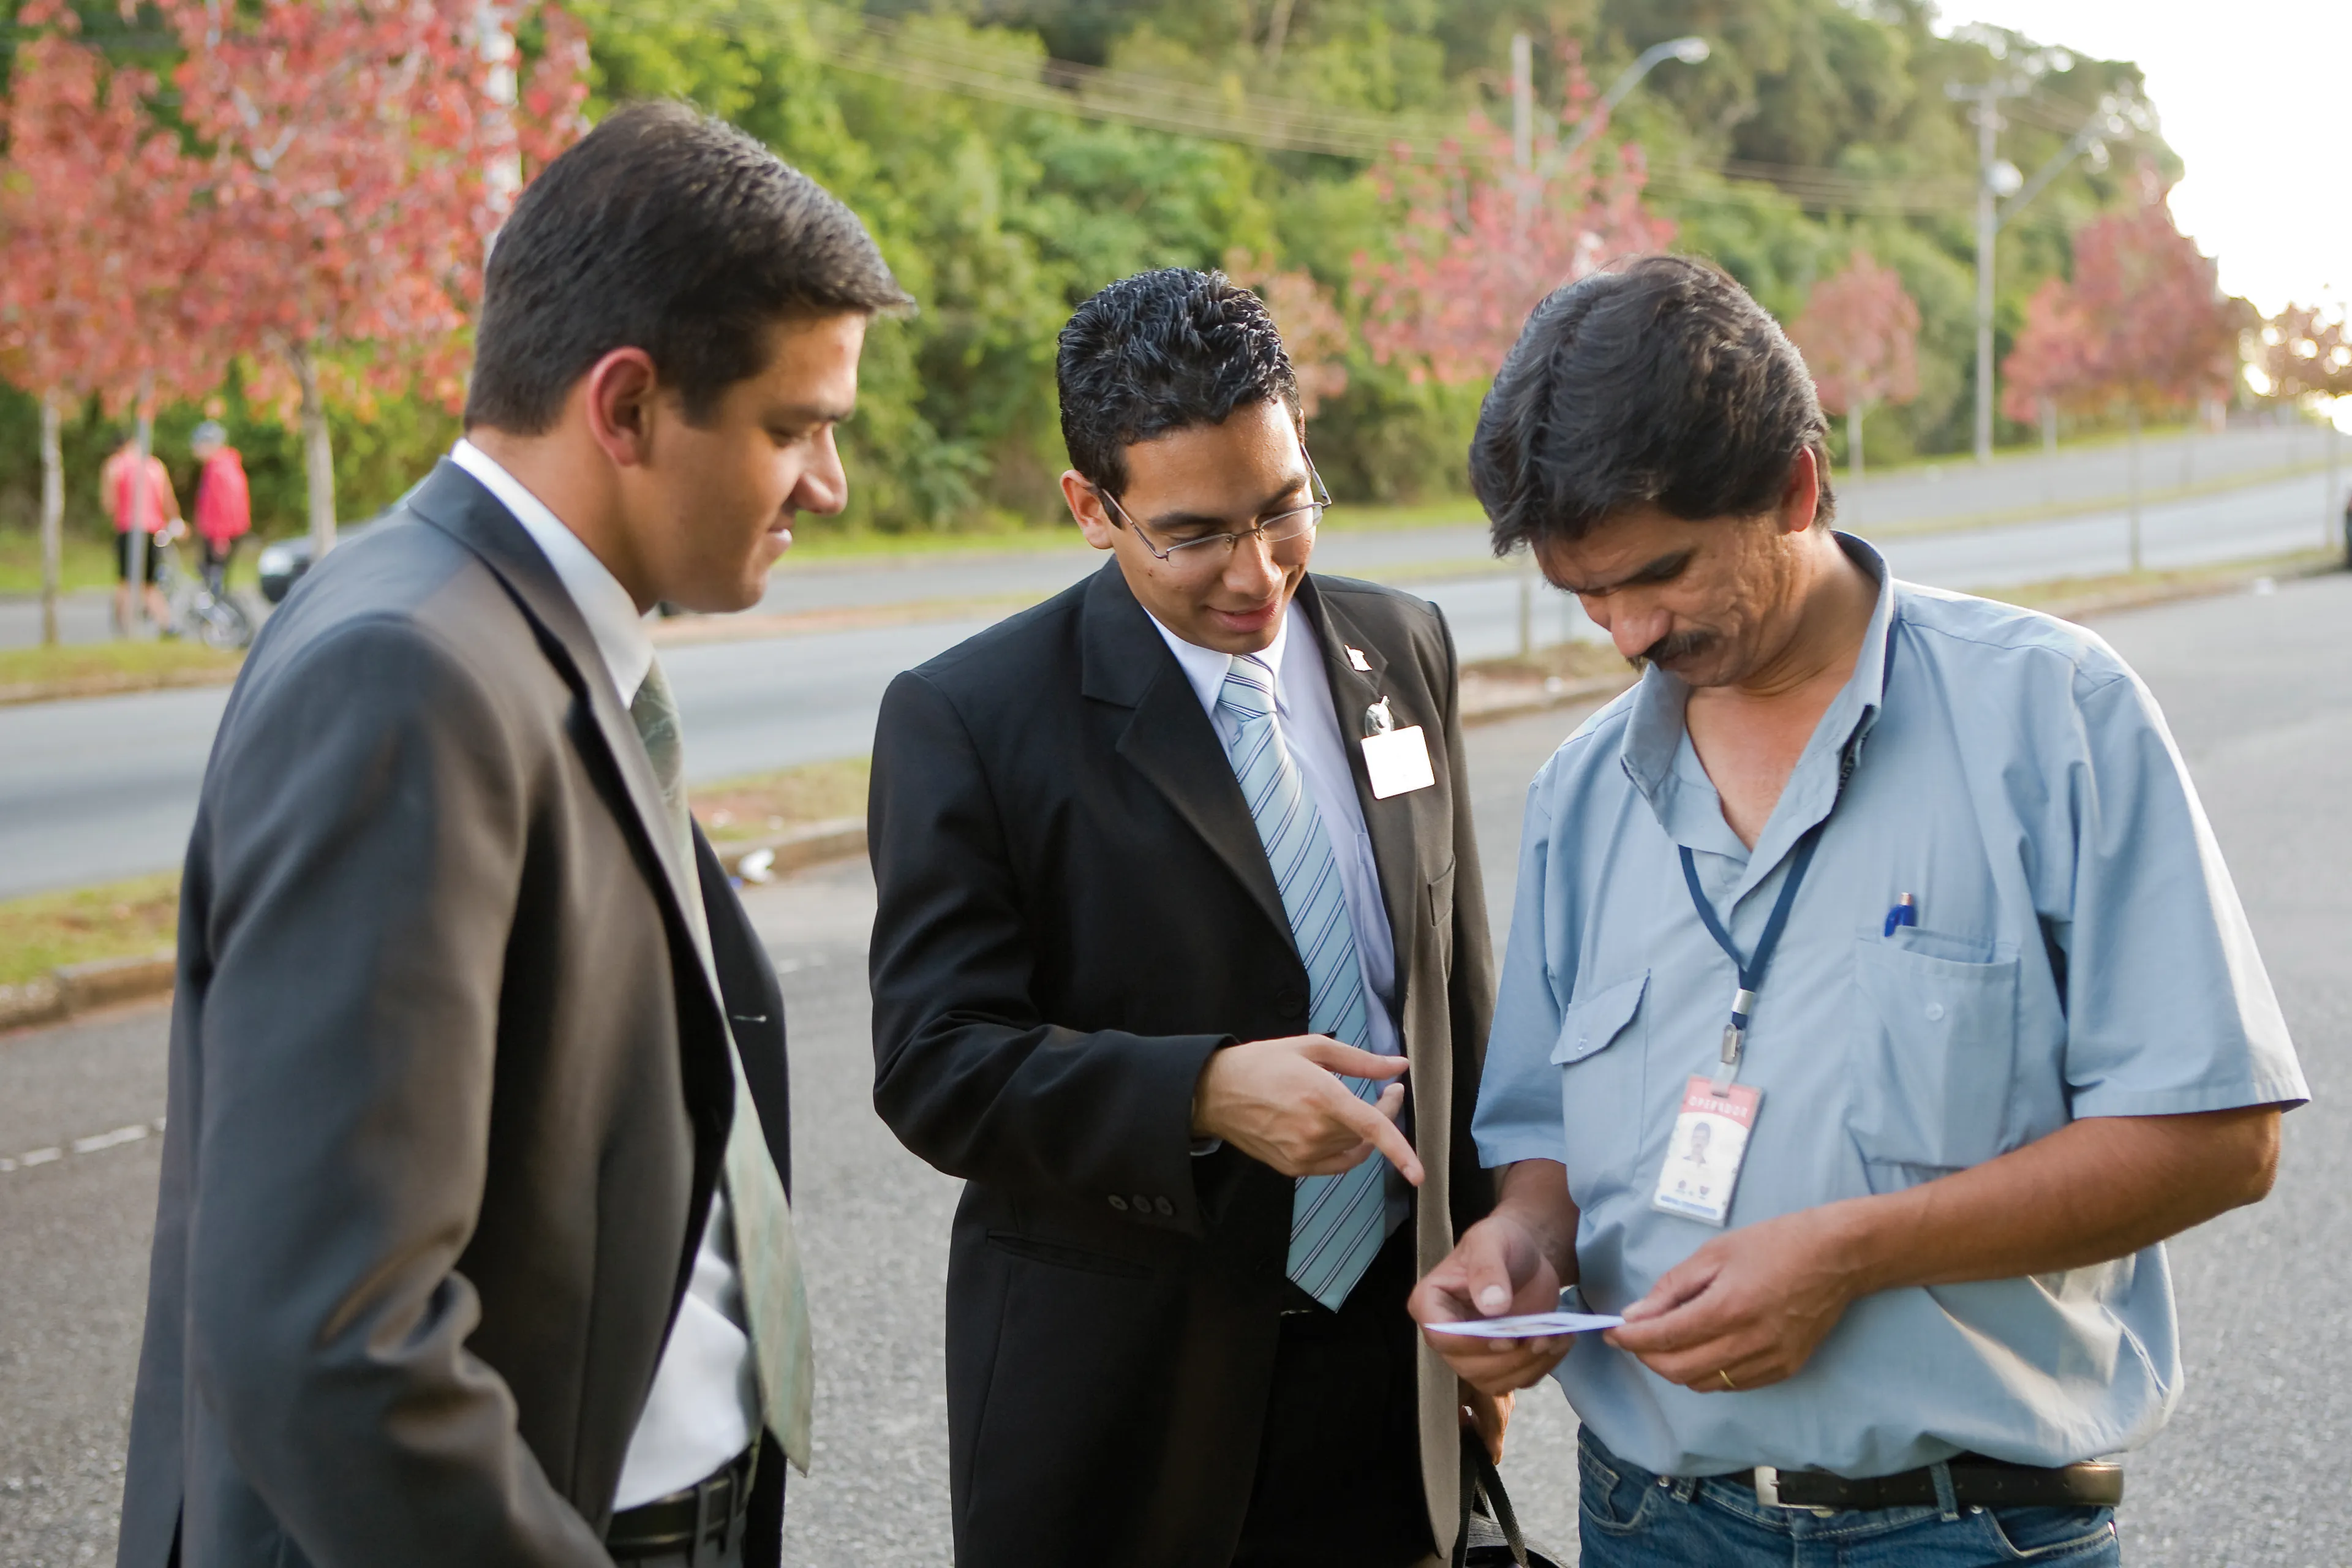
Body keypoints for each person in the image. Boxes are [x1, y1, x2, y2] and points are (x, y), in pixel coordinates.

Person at [1409, 255, 2307, 1567]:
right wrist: (1524, 1245)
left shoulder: (2057, 714)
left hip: (1967, 1530)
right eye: (1586, 595)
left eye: (1659, 574)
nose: (1626, 633)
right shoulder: (1581, 793)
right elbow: (1543, 1137)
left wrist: (1851, 1252)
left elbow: (2218, 1138)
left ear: (1795, 487)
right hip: (1649, 1521)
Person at [117, 102, 908, 1568]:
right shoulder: (408, 671)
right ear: (626, 407)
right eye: (792, 427)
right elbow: (328, 1335)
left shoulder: (504, 625)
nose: (827, 482)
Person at [867, 268, 1501, 1567]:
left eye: (1283, 509)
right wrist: (1201, 1092)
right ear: (1090, 509)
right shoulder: (971, 718)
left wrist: (1480, 1274)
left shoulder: (1403, 645)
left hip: (1390, 1372)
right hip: (1130, 1407)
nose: (1255, 572)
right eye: (1194, 534)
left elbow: (1453, 984)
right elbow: (936, 1064)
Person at [100, 434, 178, 633]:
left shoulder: (115, 465)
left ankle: (124, 627)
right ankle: (166, 624)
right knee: (149, 582)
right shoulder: (155, 466)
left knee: (125, 581)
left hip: (128, 528)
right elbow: (167, 499)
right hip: (153, 529)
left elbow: (109, 503)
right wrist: (174, 521)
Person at [189, 420, 251, 596]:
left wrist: (221, 538)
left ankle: (219, 611)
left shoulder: (220, 469)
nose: (195, 449)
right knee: (212, 579)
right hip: (219, 533)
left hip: (221, 535)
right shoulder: (222, 465)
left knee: (214, 582)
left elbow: (226, 504)